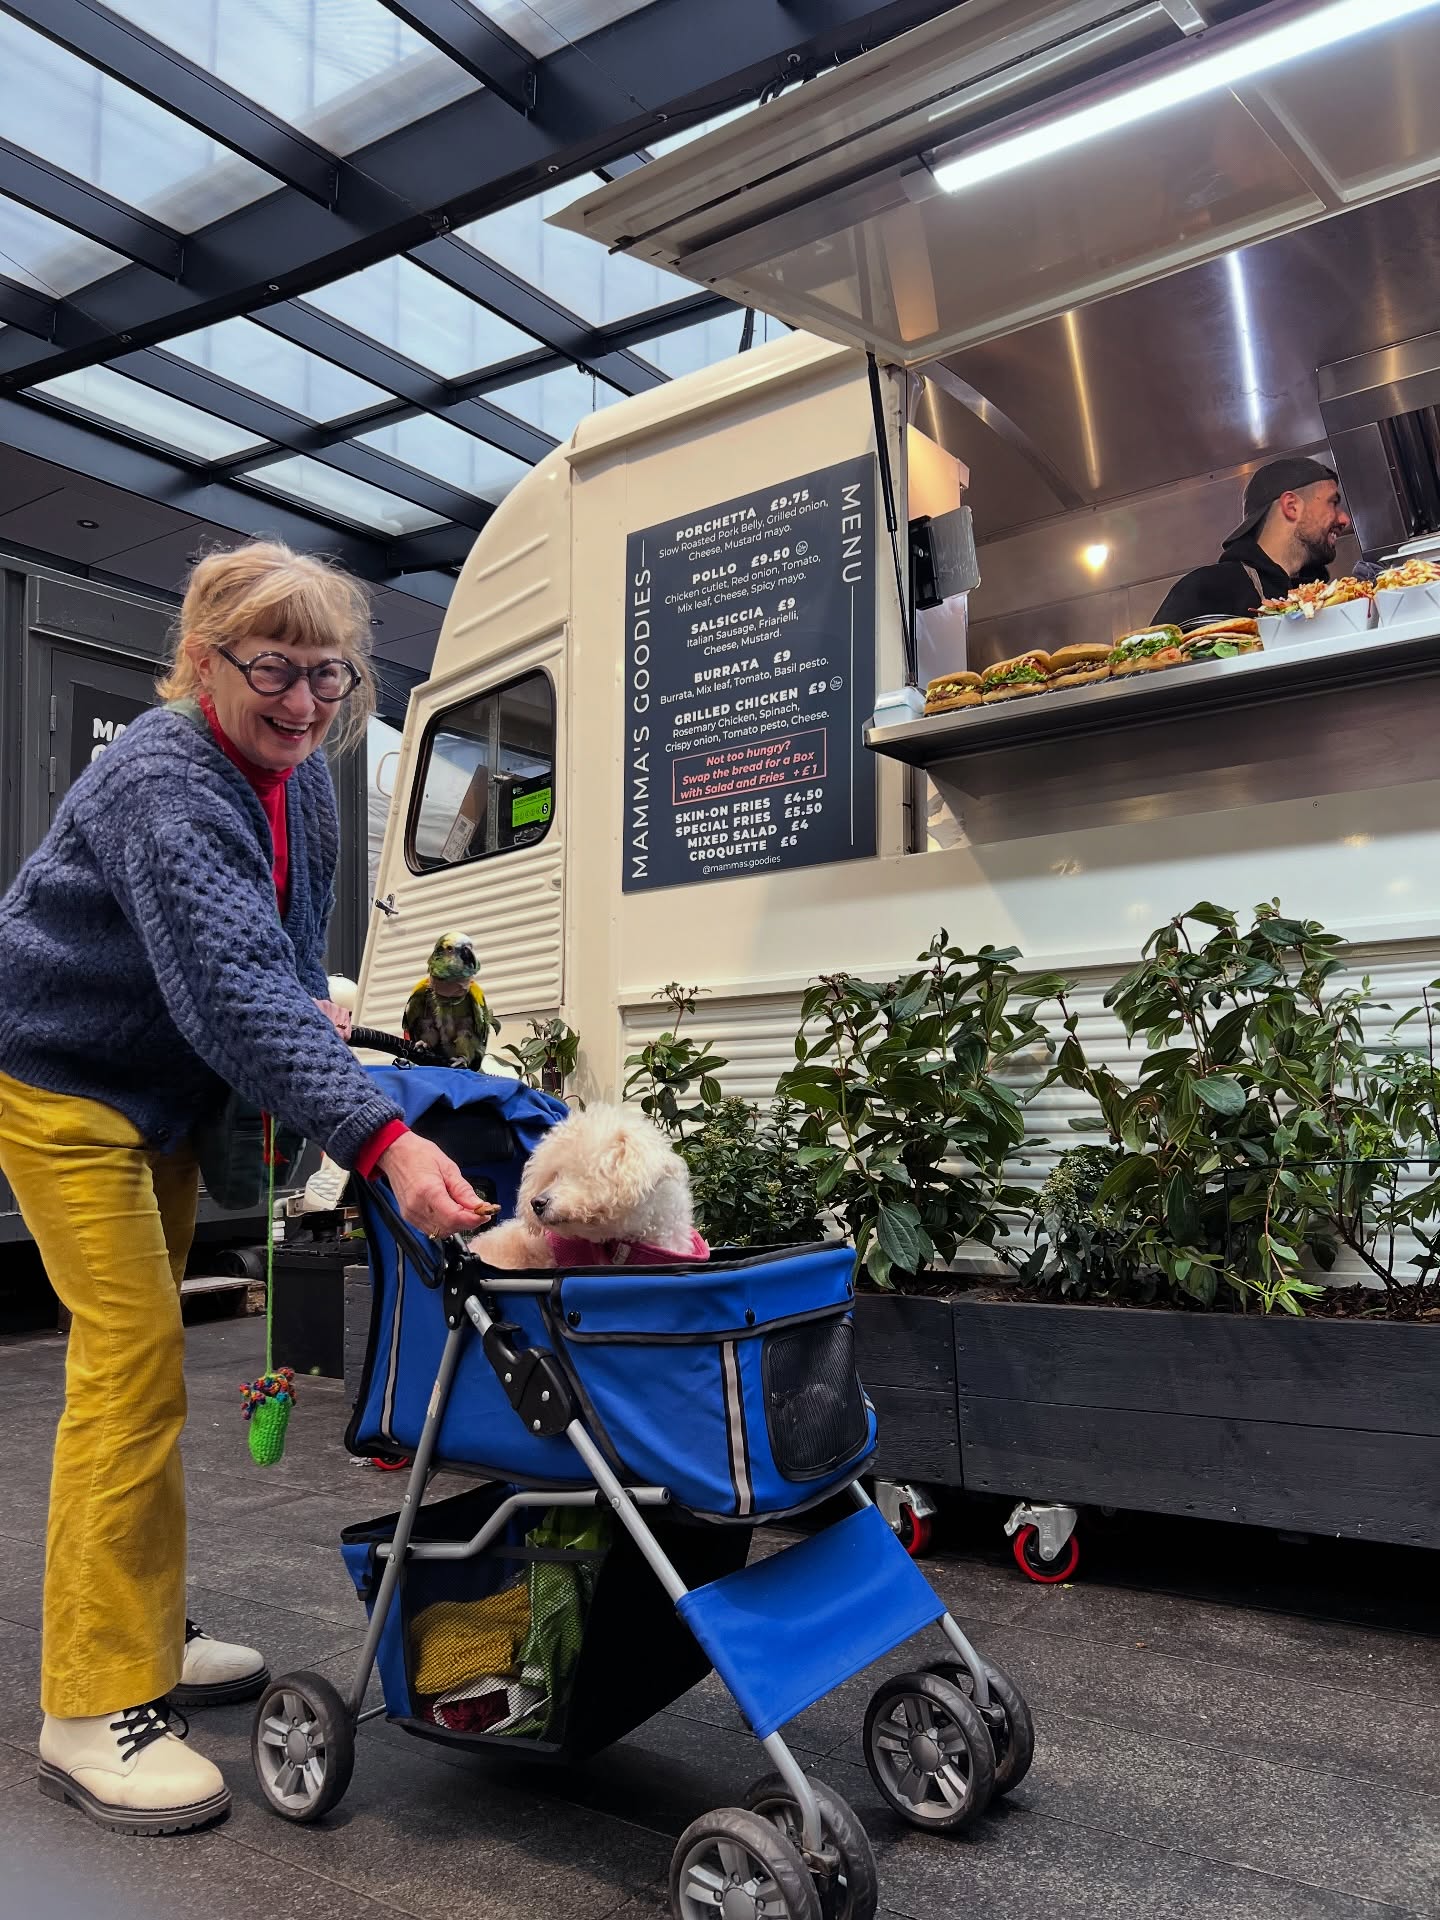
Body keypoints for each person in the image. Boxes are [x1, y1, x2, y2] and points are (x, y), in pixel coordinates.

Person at [0, 542, 496, 1835]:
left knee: (147, 1366)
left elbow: (273, 958)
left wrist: (313, 1019)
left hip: (150, 1091)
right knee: (131, 1364)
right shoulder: (163, 780)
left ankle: (142, 1636)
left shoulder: (302, 774)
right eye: (273, 668)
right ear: (203, 661)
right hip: (56, 1084)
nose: (305, 701)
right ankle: (87, 1706)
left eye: (330, 675)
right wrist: (380, 1143)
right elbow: (228, 984)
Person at [1152, 457, 1353, 626]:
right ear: (1291, 506)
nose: (1344, 519)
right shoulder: (1208, 588)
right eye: (1333, 503)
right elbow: (1153, 668)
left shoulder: (1325, 599)